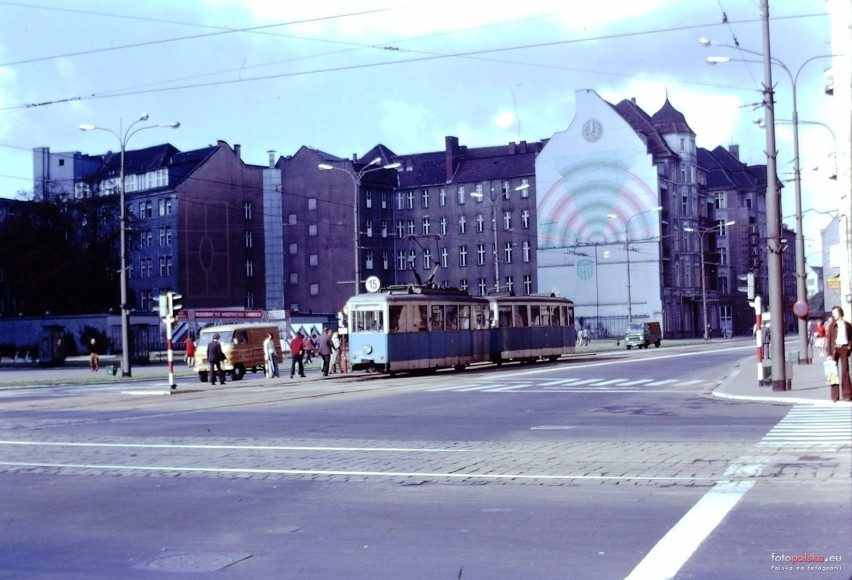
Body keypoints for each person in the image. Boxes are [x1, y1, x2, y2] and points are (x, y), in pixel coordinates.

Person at [826, 306, 852, 401]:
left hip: (844, 348)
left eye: (835, 312)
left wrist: (849, 346)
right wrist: (828, 354)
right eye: (833, 313)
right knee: (833, 372)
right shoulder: (832, 325)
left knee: (845, 371)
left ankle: (847, 395)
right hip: (834, 349)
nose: (833, 314)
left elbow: (850, 337)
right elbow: (828, 340)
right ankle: (835, 396)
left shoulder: (847, 325)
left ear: (840, 313)